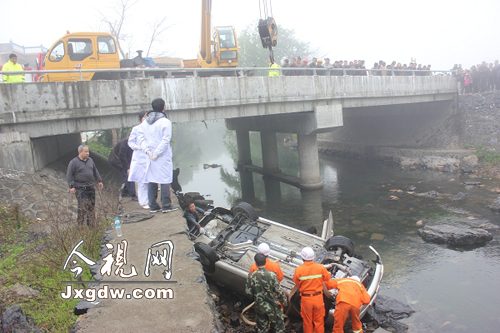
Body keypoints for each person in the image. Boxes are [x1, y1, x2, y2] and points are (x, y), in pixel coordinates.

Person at [138, 98, 178, 213]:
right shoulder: (165, 122)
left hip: (150, 156)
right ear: (164, 107)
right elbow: (166, 140)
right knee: (165, 179)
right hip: (162, 155)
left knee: (152, 179)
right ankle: (166, 205)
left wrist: (148, 151)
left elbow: (141, 138)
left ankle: (153, 205)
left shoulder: (145, 123)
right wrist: (156, 153)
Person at [245, 253, 288, 333]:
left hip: (260, 307)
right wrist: (284, 303)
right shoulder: (272, 275)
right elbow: (279, 291)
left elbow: (248, 293)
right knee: (279, 329)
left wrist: (256, 299)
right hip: (274, 307)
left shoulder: (251, 276)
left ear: (256, 263)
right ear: (265, 262)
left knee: (262, 329)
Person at [293, 247, 331, 333]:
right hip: (318, 298)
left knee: (307, 321)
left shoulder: (299, 270)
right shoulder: (320, 268)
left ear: (302, 258)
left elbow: (296, 282)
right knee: (319, 321)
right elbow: (327, 278)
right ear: (313, 257)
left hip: (306, 299)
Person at [66, 145, 104, 226]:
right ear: (80, 152)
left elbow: (95, 171)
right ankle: (80, 225)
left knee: (91, 206)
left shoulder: (90, 160)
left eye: (88, 151)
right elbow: (69, 175)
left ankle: (91, 225)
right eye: (85, 152)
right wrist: (71, 186)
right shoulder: (74, 162)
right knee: (82, 206)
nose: (87, 153)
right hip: (80, 187)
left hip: (90, 186)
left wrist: (99, 181)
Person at [128, 111, 150, 209]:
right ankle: (143, 202)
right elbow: (130, 142)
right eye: (145, 116)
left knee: (150, 179)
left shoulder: (151, 128)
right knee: (142, 180)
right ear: (141, 118)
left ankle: (149, 200)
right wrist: (138, 147)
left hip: (149, 156)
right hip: (140, 156)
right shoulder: (136, 129)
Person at [109, 136, 137, 201]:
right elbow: (122, 156)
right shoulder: (124, 143)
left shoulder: (133, 143)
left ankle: (125, 192)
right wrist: (127, 168)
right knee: (128, 175)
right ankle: (133, 195)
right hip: (116, 160)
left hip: (123, 159)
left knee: (128, 175)